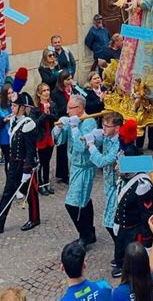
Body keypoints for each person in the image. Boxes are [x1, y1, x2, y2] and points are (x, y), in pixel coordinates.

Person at [0, 93, 40, 233]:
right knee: (7, 193)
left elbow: (30, 150)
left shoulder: (29, 124)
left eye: (14, 105)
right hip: (14, 164)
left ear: (22, 108)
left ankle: (34, 218)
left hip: (25, 164)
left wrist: (27, 170)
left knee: (30, 193)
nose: (12, 108)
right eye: (12, 105)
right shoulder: (13, 120)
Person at [52, 95, 97, 248]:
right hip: (75, 166)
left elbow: (81, 146)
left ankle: (85, 234)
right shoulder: (72, 120)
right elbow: (60, 140)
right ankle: (90, 231)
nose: (67, 110)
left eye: (70, 108)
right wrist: (58, 128)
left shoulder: (89, 122)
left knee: (73, 203)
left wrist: (74, 127)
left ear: (79, 108)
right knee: (84, 200)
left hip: (85, 167)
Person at [112, 145, 153, 278]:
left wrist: (148, 242)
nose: (116, 167)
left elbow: (147, 214)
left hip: (135, 229)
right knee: (119, 247)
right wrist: (116, 221)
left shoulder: (143, 184)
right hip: (124, 225)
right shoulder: (123, 179)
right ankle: (120, 263)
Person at [86, 113, 121, 243]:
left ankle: (121, 250)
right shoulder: (108, 136)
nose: (104, 128)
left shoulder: (118, 143)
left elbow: (103, 161)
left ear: (117, 128)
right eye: (103, 125)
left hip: (118, 186)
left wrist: (91, 146)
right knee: (112, 221)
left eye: (107, 126)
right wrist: (94, 136)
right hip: (109, 185)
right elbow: (100, 139)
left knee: (111, 222)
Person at [30, 83, 58, 196]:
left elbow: (56, 118)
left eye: (48, 90)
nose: (47, 92)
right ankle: (40, 185)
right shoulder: (35, 109)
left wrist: (49, 114)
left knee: (47, 162)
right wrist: (44, 115)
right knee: (40, 163)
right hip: (40, 138)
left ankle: (46, 183)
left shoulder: (52, 105)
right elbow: (34, 123)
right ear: (39, 94)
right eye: (44, 91)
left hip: (49, 137)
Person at [51, 70, 78, 184]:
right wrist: (68, 105)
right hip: (63, 122)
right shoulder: (56, 93)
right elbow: (57, 110)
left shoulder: (75, 90)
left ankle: (73, 170)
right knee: (62, 149)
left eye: (70, 79)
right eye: (67, 79)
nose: (69, 81)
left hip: (75, 121)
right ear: (62, 81)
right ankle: (63, 173)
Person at [0, 83, 14, 176]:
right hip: (5, 138)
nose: (11, 95)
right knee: (8, 161)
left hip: (16, 136)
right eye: (8, 93)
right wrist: (4, 120)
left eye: (12, 92)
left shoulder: (15, 104)